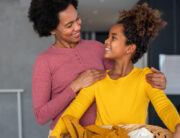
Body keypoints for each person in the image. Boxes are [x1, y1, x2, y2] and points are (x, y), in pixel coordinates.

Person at [28, 0, 166, 134]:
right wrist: (75, 86)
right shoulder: (44, 61)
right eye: (69, 25)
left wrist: (154, 81)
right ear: (52, 29)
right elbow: (41, 116)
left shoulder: (97, 48)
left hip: (98, 133)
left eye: (77, 19)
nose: (77, 27)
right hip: (65, 133)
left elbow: (123, 78)